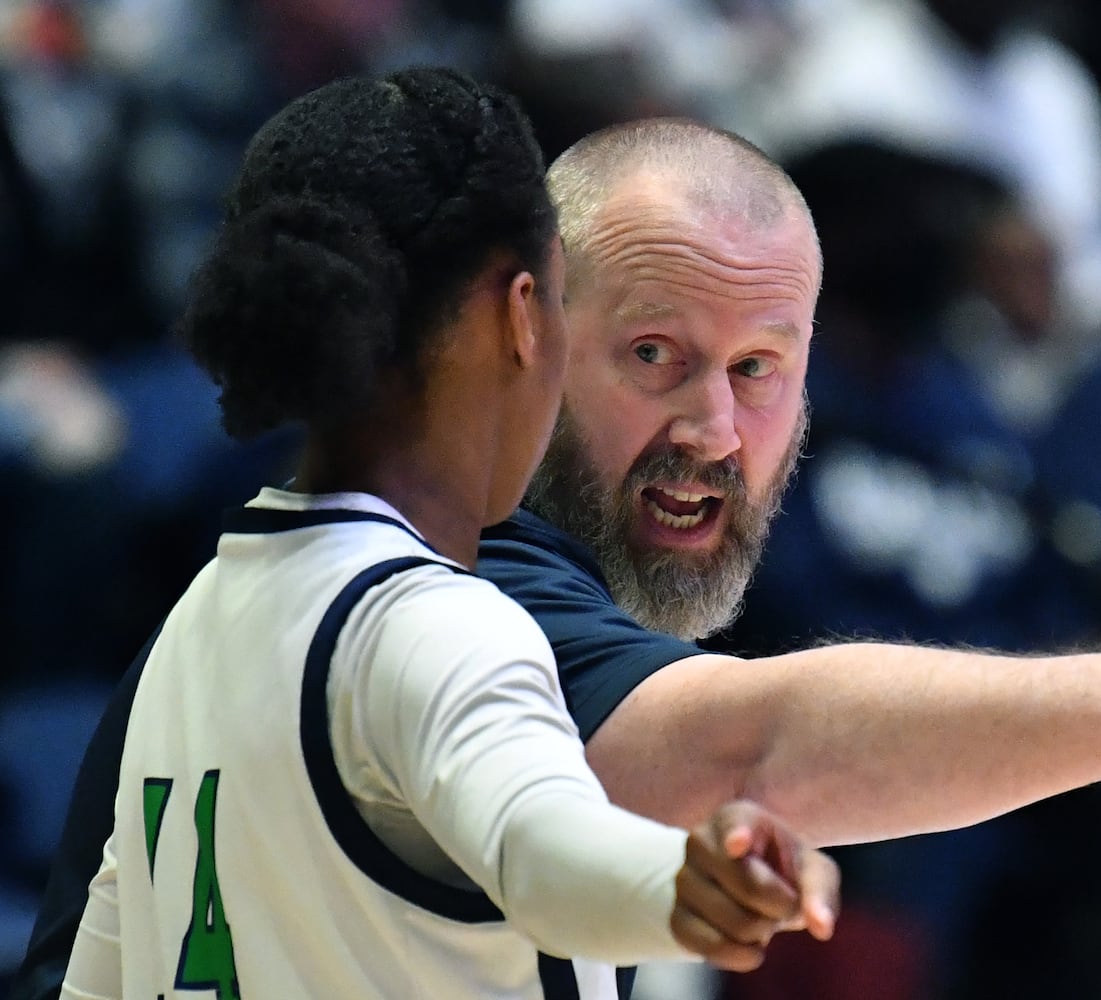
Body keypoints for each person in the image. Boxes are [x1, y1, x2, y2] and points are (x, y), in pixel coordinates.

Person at [14, 115, 1101, 1000]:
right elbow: (738, 749)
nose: (711, 427)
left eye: (761, 369)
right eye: (654, 356)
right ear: (524, 341)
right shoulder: (454, 587)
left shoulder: (275, 574)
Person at [49, 69, 838, 1000]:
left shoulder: (192, 630)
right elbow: (542, 845)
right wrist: (684, 886)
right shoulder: (447, 624)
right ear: (522, 318)